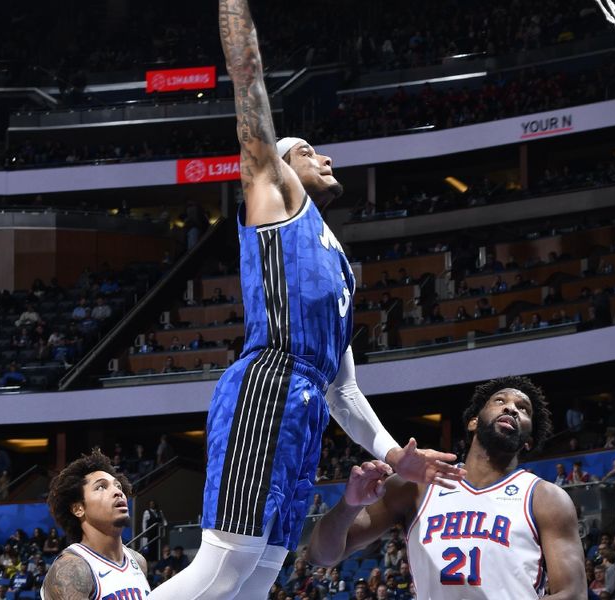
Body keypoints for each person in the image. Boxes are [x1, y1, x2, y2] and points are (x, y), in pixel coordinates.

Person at [147, 2, 463, 599]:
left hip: (309, 401)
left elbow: (344, 390)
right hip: (268, 382)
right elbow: (248, 77)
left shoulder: (339, 263)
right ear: (280, 164)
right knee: (225, 564)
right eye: (310, 150)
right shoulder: (275, 195)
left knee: (261, 572)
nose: (327, 157)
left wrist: (396, 456)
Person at [307, 376, 587, 599]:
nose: (511, 408)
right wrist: (349, 505)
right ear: (473, 421)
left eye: (523, 409)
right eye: (500, 400)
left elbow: (572, 594)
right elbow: (321, 555)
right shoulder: (414, 487)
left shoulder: (545, 498)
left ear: (528, 440)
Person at [40, 449, 150, 599]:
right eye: (101, 487)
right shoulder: (72, 569)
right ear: (78, 509)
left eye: (118, 486)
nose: (118, 492)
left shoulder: (138, 561)